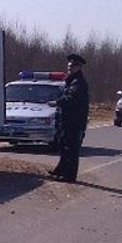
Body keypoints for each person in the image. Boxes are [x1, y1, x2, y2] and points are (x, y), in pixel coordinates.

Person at [49, 53, 90, 183]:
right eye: (69, 66)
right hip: (66, 119)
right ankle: (60, 170)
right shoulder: (71, 80)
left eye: (72, 66)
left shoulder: (79, 83)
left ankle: (70, 176)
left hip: (74, 121)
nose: (70, 68)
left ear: (79, 67)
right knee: (63, 145)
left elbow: (71, 99)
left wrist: (58, 102)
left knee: (71, 149)